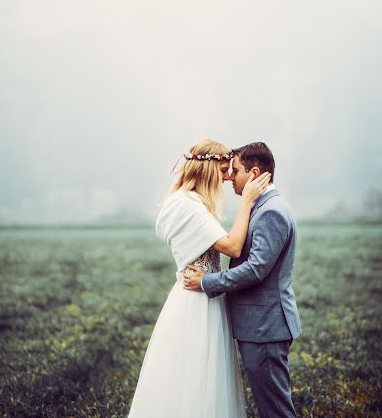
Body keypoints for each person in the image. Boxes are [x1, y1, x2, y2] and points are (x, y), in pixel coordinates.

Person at [127, 139, 271, 418]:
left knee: (205, 373)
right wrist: (248, 202)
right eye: (224, 170)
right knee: (194, 374)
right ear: (208, 169)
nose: (227, 177)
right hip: (196, 300)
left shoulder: (189, 202)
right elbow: (232, 247)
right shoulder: (188, 205)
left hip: (207, 294)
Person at [184, 142, 301, 418]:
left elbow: (256, 269)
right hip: (261, 327)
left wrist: (207, 282)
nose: (228, 178)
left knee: (275, 410)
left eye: (234, 171)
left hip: (265, 328)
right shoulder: (263, 208)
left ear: (254, 173)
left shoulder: (271, 212)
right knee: (270, 405)